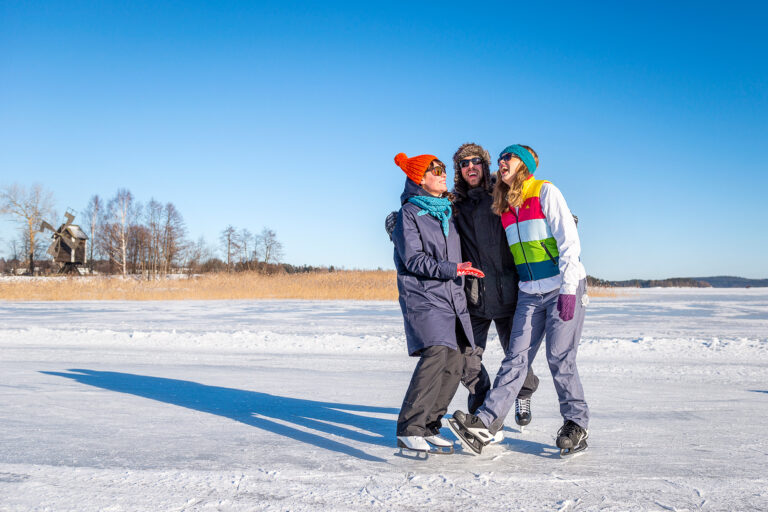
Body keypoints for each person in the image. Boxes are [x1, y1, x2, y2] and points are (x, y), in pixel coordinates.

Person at [387, 143, 540, 438]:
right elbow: (424, 218)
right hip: (473, 295)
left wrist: (561, 220)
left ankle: (524, 390)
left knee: (516, 356)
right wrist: (393, 225)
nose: (471, 167)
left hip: (508, 291)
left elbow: (533, 204)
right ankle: (482, 415)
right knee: (467, 361)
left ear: (485, 166)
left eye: (477, 162)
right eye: (464, 163)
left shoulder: (506, 192)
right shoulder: (453, 203)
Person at [448, 144, 590, 457]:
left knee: (559, 356)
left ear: (523, 164)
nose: (501, 162)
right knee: (516, 358)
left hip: (561, 286)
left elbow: (569, 243)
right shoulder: (504, 203)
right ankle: (485, 423)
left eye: (507, 157)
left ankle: (576, 423)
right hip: (529, 290)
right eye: (500, 159)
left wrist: (568, 290)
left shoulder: (545, 192)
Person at [391, 152, 485, 456]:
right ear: (420, 179)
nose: (442, 175)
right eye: (434, 171)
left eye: (443, 170)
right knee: (435, 352)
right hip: (424, 295)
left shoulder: (447, 211)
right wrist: (453, 269)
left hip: (453, 297)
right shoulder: (410, 213)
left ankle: (430, 426)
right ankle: (409, 428)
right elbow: (414, 259)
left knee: (456, 359)